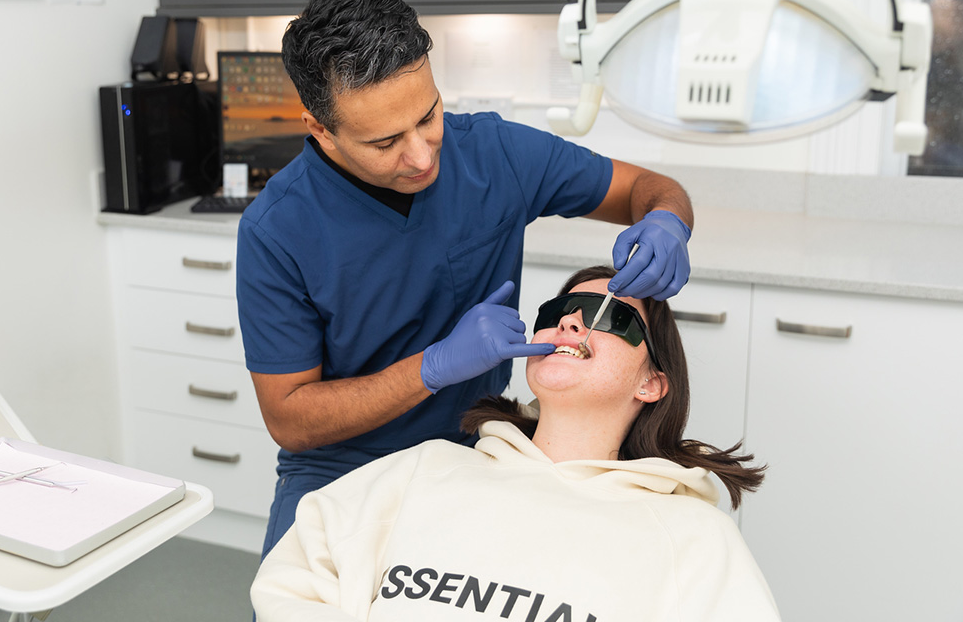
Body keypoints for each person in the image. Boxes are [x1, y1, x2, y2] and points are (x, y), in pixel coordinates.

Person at [237, 0, 696, 558]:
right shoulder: (277, 230)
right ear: (320, 129)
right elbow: (291, 420)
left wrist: (667, 221)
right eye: (385, 143)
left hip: (480, 450)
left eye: (429, 116)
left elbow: (650, 190)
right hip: (342, 469)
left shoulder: (495, 155)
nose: (423, 155)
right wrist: (432, 367)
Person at [251, 265, 777, 621]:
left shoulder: (692, 537)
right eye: (559, 312)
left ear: (651, 383)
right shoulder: (424, 471)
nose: (570, 321)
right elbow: (295, 579)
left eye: (609, 317)